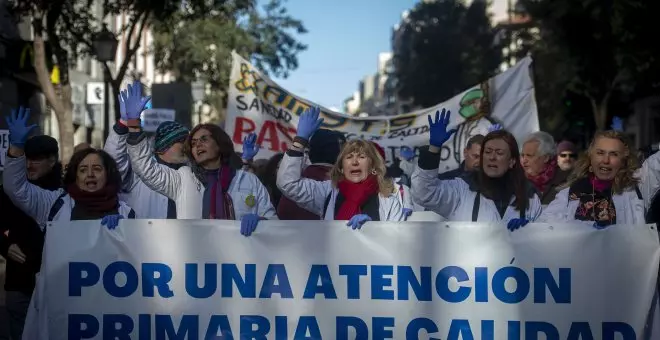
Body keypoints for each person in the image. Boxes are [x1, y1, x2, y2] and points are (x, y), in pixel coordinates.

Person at [122, 82, 276, 234]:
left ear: (219, 144)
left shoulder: (249, 181)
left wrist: (261, 222)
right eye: (193, 143)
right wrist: (133, 124)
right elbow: (144, 167)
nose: (197, 146)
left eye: (204, 140)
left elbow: (276, 224)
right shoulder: (182, 180)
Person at [3, 107, 134, 227]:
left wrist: (124, 229)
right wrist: (16, 147)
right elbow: (17, 189)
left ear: (107, 175)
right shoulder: (54, 205)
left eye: (97, 169)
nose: (90, 174)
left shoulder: (126, 213)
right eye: (83, 170)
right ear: (75, 176)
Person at [411, 109, 541, 228]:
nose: (492, 157)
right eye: (488, 152)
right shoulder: (462, 189)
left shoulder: (529, 197)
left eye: (499, 153)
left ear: (512, 161)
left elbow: (547, 238)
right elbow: (424, 193)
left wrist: (531, 230)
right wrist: (433, 149)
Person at [277, 107, 404, 228]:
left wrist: (374, 230)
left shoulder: (390, 200)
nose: (354, 162)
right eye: (349, 157)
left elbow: (397, 243)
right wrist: (300, 141)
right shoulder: (328, 192)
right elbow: (288, 183)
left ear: (373, 167)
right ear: (342, 167)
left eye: (361, 157)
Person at [0, 135, 61, 340]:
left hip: (56, 285)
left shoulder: (66, 193)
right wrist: (4, 245)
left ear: (52, 160)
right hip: (20, 283)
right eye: (26, 158)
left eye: (35, 159)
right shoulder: (9, 192)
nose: (29, 164)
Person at [540, 130, 660, 227]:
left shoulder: (637, 186)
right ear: (590, 157)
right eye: (600, 153)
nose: (606, 160)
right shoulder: (570, 194)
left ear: (623, 161)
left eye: (614, 154)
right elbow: (546, 226)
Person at [105, 94, 189, 219]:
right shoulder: (136, 174)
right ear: (163, 148)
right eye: (181, 141)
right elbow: (113, 163)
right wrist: (123, 124)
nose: (187, 147)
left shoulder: (191, 175)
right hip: (141, 237)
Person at [277, 128, 346, 220]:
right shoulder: (332, 186)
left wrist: (299, 142)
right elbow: (288, 183)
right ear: (338, 154)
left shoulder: (299, 178)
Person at [520, 131, 570, 205]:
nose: (524, 161)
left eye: (529, 155)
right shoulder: (518, 181)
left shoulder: (566, 180)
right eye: (523, 155)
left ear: (546, 158)